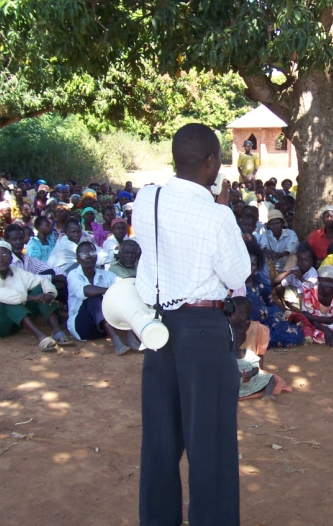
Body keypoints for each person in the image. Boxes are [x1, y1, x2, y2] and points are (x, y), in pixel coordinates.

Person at [132, 123, 251, 525]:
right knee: (210, 444)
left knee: (160, 440)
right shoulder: (217, 216)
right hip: (203, 330)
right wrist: (223, 210)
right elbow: (237, 272)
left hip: (159, 328)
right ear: (211, 162)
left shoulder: (146, 199)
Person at [0, 240, 61, 351]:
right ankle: (40, 337)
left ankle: (57, 331)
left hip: (15, 323)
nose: (0, 259)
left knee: (40, 289)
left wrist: (49, 293)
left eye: (5, 255)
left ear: (11, 259)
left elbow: (41, 280)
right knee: (7, 300)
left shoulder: (17, 271)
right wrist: (30, 297)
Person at [2, 225, 73, 345]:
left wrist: (60, 277)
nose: (18, 242)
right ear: (7, 242)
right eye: (14, 239)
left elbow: (53, 269)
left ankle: (64, 320)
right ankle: (56, 327)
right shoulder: (5, 262)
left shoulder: (27, 259)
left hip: (33, 298)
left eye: (20, 238)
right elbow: (25, 283)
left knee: (53, 278)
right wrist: (52, 278)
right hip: (17, 301)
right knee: (41, 287)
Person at [290, 265, 333, 347]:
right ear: (319, 280)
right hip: (313, 323)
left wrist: (312, 318)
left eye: (332, 282)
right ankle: (329, 337)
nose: (328, 285)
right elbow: (306, 315)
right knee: (303, 324)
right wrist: (324, 329)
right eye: (325, 281)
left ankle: (325, 336)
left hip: (332, 323)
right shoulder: (309, 291)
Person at [258, 209, 299, 273]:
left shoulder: (290, 233)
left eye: (277, 223)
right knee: (263, 256)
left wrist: (283, 253)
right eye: (272, 224)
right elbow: (261, 244)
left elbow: (294, 245)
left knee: (293, 257)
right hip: (270, 268)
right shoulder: (265, 234)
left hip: (286, 267)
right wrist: (266, 251)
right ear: (268, 225)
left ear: (282, 223)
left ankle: (286, 276)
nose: (275, 226)